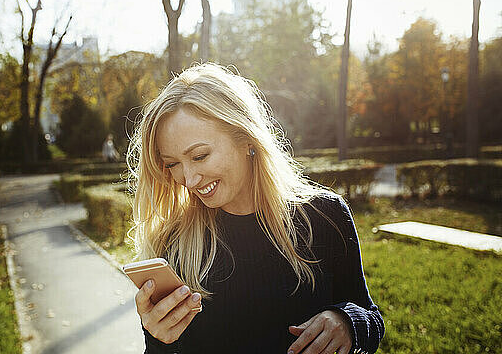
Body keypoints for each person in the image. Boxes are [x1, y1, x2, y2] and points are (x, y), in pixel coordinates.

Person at [125, 63, 384, 354]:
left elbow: (369, 315)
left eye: (199, 156)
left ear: (246, 138)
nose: (188, 179)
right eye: (172, 164)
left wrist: (348, 322)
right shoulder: (174, 246)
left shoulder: (326, 216)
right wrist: (159, 342)